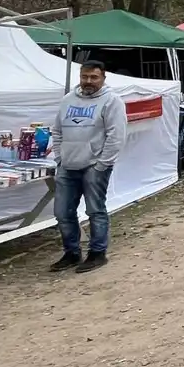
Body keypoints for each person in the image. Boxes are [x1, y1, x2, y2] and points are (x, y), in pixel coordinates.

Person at [49, 60, 127, 274]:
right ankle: (71, 253)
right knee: (62, 212)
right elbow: (57, 131)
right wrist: (59, 158)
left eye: (94, 77)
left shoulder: (112, 101)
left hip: (94, 166)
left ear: (103, 78)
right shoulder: (68, 100)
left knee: (95, 210)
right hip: (68, 165)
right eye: (85, 77)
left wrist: (102, 164)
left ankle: (97, 253)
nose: (88, 81)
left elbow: (116, 135)